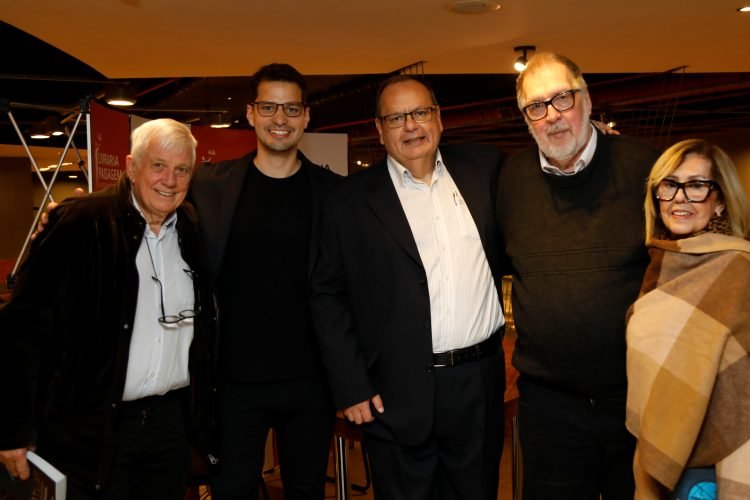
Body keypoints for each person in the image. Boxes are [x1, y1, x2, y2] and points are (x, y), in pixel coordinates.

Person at [311, 74, 506, 500]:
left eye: (420, 112)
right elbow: (327, 296)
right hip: (394, 392)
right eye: (397, 117)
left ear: (439, 118)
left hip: (478, 387)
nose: (411, 126)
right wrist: (351, 385)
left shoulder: (485, 170)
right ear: (379, 129)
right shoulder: (347, 202)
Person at [0, 118, 216, 499]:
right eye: (159, 165)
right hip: (92, 429)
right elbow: (23, 329)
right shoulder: (82, 222)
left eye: (182, 169)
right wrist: (13, 427)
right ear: (132, 167)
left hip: (168, 428)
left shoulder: (191, 227)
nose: (170, 179)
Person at [495, 51, 662, 500]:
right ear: (525, 117)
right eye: (537, 106)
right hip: (550, 408)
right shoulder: (510, 181)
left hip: (638, 398)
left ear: (586, 99)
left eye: (562, 98)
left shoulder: (645, 168)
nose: (552, 116)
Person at [190, 63, 341, 499]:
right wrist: (68, 211)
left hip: (310, 381)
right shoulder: (210, 185)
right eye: (270, 107)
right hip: (235, 382)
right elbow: (152, 193)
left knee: (306, 490)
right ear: (251, 113)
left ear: (306, 116)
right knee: (232, 490)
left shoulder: (333, 193)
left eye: (291, 108)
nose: (281, 119)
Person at [626, 139, 750, 499]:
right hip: (677, 459)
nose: (680, 198)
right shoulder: (661, 268)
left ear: (719, 200)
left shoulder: (742, 269)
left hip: (737, 450)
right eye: (669, 185)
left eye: (696, 185)